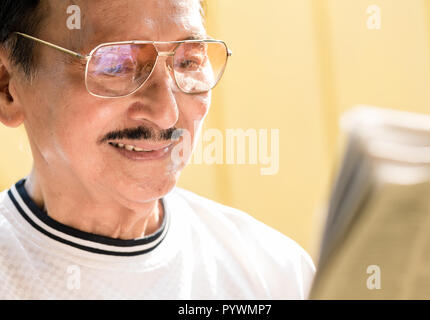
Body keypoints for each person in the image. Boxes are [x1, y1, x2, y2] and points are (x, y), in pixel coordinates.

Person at [0, 0, 315, 299]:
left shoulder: (277, 276)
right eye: (115, 63)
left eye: (188, 61)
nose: (167, 113)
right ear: (6, 86)